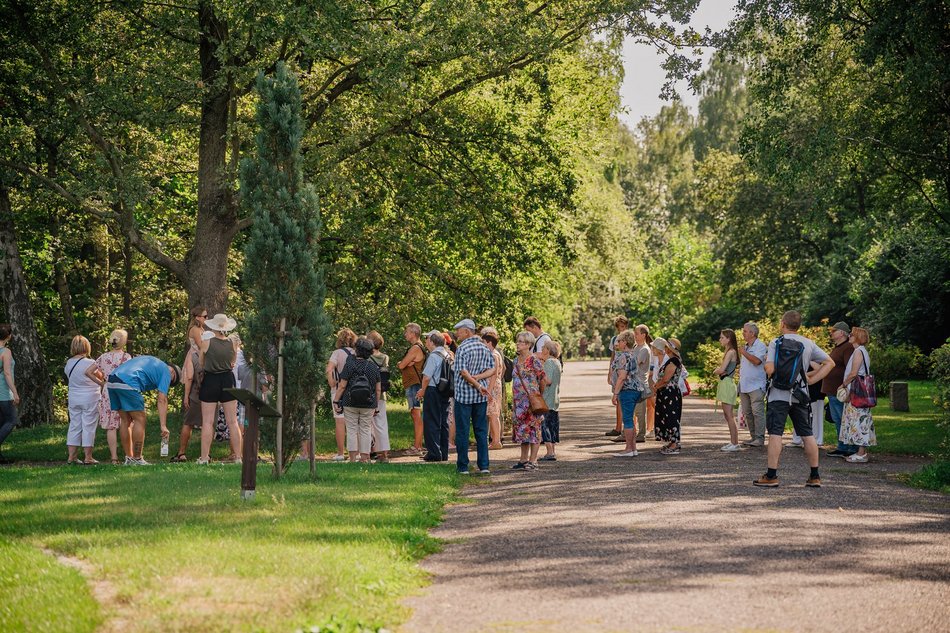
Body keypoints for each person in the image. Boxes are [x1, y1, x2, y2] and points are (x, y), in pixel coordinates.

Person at [753, 310, 834, 488]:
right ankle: (815, 475)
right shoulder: (809, 343)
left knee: (775, 434)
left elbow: (769, 369)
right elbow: (830, 363)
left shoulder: (777, 342)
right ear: (799, 326)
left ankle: (772, 475)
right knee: (807, 434)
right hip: (800, 395)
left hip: (778, 395)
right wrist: (812, 378)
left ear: (783, 323)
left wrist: (769, 365)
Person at [106, 355, 180, 465]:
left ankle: (129, 458)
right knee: (140, 419)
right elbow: (162, 399)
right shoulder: (166, 371)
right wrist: (163, 425)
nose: (168, 383)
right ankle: (137, 458)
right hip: (128, 381)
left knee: (125, 420)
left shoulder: (154, 362)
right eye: (171, 381)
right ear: (173, 372)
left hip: (112, 380)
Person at [197, 314, 242, 465]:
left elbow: (201, 362)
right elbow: (233, 363)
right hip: (228, 379)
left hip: (211, 379)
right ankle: (237, 457)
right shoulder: (233, 342)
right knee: (232, 421)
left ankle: (204, 458)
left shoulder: (206, 342)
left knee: (208, 421)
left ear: (213, 326)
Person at [452, 319, 495, 475]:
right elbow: (492, 370)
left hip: (464, 396)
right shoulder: (484, 347)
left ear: (467, 331)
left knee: (462, 432)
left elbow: (463, 372)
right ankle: (484, 465)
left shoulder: (462, 348)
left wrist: (475, 382)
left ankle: (463, 466)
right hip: (480, 397)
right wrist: (479, 379)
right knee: (481, 432)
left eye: (459, 330)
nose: (457, 333)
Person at [334, 336, 382, 463]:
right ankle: (365, 458)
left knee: (351, 429)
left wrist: (336, 400)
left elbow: (342, 385)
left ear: (357, 350)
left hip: (350, 402)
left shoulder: (349, 365)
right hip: (368, 403)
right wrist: (375, 405)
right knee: (365, 429)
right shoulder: (373, 368)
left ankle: (352, 458)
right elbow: (378, 390)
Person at [65, 335, 104, 465]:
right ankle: (88, 457)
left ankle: (72, 457)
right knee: (89, 426)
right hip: (90, 397)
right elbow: (101, 376)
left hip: (74, 397)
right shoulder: (91, 363)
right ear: (87, 347)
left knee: (74, 426)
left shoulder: (69, 363)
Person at [95, 329, 132, 464]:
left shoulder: (103, 357)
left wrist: (102, 382)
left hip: (108, 390)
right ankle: (129, 454)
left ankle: (114, 458)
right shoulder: (126, 357)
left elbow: (89, 371)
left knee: (111, 426)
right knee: (125, 422)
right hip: (121, 390)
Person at [840, 327, 877, 463]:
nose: (849, 336)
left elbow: (854, 373)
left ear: (857, 337)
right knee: (861, 419)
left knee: (859, 420)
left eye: (851, 334)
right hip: (860, 391)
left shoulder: (858, 352)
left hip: (857, 392)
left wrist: (843, 385)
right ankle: (861, 452)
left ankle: (861, 453)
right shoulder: (861, 351)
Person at [511, 330, 547, 470]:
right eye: (518, 341)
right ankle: (523, 460)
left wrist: (538, 396)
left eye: (520, 342)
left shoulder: (533, 360)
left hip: (531, 403)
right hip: (519, 402)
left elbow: (543, 379)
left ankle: (533, 460)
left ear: (528, 344)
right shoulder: (515, 360)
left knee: (534, 429)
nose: (517, 344)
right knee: (522, 430)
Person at [822, 321, 857, 458]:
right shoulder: (838, 347)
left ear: (842, 333)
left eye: (834, 331)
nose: (831, 333)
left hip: (840, 391)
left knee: (844, 418)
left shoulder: (848, 347)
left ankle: (850, 447)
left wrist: (845, 386)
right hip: (832, 390)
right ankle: (842, 446)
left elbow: (850, 367)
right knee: (838, 419)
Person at [610, 330, 644, 457]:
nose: (617, 343)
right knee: (630, 419)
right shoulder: (632, 354)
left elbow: (622, 377)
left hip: (627, 390)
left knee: (628, 419)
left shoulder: (623, 356)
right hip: (635, 390)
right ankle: (633, 448)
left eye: (619, 341)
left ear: (625, 342)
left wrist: (615, 393)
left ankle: (629, 448)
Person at [418, 331, 451, 461]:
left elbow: (426, 377)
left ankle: (434, 453)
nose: (426, 341)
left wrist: (422, 391)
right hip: (445, 390)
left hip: (433, 389)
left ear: (432, 341)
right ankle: (443, 452)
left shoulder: (433, 356)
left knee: (431, 421)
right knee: (443, 422)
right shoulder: (447, 354)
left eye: (427, 339)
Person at [325, 328, 357, 461]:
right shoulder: (357, 352)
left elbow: (329, 369)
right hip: (355, 390)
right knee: (355, 422)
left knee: (340, 422)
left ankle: (340, 453)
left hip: (338, 390)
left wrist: (332, 382)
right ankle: (356, 453)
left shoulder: (337, 353)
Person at [396, 323, 426, 455]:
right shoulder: (417, 347)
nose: (405, 334)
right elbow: (405, 364)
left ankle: (417, 447)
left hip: (414, 384)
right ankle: (418, 445)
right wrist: (407, 363)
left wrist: (404, 363)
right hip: (412, 383)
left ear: (413, 333)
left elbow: (401, 365)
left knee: (416, 414)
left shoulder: (415, 348)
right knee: (415, 413)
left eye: (407, 332)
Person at [172, 339, 204, 462]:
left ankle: (181, 453)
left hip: (195, 393)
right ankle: (205, 453)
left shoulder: (193, 355)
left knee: (188, 423)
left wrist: (186, 395)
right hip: (211, 394)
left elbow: (189, 377)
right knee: (208, 424)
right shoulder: (212, 355)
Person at [738, 322, 768, 447]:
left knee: (757, 412)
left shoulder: (760, 346)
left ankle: (760, 438)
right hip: (744, 385)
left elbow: (757, 361)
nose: (743, 333)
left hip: (756, 385)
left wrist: (743, 352)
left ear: (752, 333)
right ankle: (753, 437)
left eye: (745, 331)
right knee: (747, 412)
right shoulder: (745, 346)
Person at [653, 337, 684, 455]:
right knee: (667, 417)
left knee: (672, 417)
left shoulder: (674, 361)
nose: (665, 349)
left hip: (670, 393)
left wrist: (657, 386)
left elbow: (666, 379)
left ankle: (675, 443)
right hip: (665, 393)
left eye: (667, 347)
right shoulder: (670, 360)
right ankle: (672, 441)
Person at [366, 330, 391, 462]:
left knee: (367, 424)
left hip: (368, 392)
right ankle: (384, 453)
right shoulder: (385, 357)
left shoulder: (367, 358)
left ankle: (369, 450)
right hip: (381, 394)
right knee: (381, 424)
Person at [714, 329, 741, 452]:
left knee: (729, 415)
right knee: (727, 415)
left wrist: (717, 370)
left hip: (727, 384)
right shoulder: (729, 351)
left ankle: (735, 443)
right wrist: (719, 370)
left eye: (722, 337)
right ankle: (733, 442)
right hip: (725, 383)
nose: (720, 340)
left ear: (728, 339)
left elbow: (721, 369)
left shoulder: (731, 352)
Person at [480, 327, 505, 450]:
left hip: (493, 386)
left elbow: (494, 374)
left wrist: (489, 390)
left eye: (484, 342)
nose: (482, 345)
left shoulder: (494, 355)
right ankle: (494, 440)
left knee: (493, 414)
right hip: (492, 385)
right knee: (491, 413)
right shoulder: (494, 354)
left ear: (489, 342)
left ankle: (496, 441)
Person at [606, 315, 629, 440]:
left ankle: (628, 428)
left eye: (624, 326)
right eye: (620, 327)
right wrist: (609, 372)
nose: (622, 329)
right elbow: (613, 356)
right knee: (618, 398)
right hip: (616, 371)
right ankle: (618, 427)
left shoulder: (630, 338)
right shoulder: (615, 339)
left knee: (626, 398)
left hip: (625, 371)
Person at [539, 339, 562, 461]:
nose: (542, 349)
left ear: (548, 350)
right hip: (555, 399)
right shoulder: (557, 362)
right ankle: (553, 451)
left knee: (545, 425)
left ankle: (549, 452)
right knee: (553, 426)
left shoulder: (548, 362)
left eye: (543, 348)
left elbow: (548, 380)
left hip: (547, 398)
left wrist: (539, 377)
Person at [0, 324, 18, 464]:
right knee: (11, 420)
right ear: (8, 336)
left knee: (1, 423)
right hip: (4, 392)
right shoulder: (5, 351)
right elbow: (7, 373)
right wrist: (15, 392)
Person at [632, 325, 653, 442]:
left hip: (640, 384)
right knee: (632, 411)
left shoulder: (644, 349)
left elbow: (635, 363)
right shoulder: (636, 347)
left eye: (637, 333)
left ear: (643, 335)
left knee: (640, 412)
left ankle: (641, 435)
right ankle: (631, 433)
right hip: (633, 383)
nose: (635, 335)